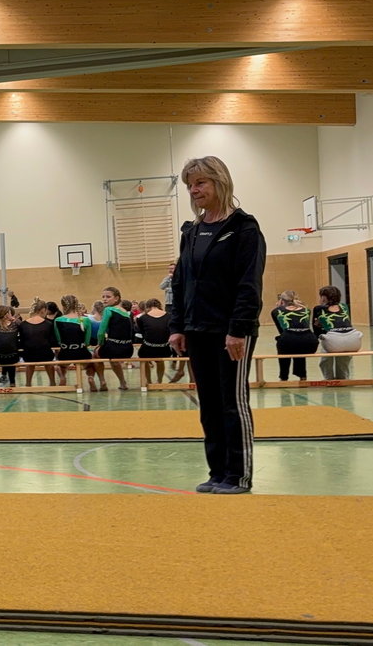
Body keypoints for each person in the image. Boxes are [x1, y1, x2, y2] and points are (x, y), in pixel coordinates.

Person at [168, 156, 265, 495]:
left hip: (230, 332)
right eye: (190, 185)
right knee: (208, 404)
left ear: (219, 182)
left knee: (232, 403)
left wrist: (238, 329)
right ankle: (217, 472)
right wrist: (177, 326)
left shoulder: (244, 228)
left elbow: (249, 284)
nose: (194, 190)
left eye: (200, 183)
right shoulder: (191, 232)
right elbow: (181, 282)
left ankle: (238, 475)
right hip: (197, 329)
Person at [313, 285, 360, 380]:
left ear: (324, 297)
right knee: (343, 361)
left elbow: (316, 331)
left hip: (334, 341)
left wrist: (321, 327)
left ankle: (329, 379)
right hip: (353, 340)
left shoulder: (318, 308)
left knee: (325, 359)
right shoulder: (344, 306)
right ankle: (343, 379)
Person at [271, 291, 318, 382]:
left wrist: (279, 307)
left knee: (286, 341)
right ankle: (302, 375)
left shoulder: (276, 311)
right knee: (299, 340)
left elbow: (281, 331)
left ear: (281, 300)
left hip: (289, 342)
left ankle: (283, 377)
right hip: (310, 343)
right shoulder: (306, 310)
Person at [95, 286, 133, 390]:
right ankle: (122, 382)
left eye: (108, 297)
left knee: (95, 354)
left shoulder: (108, 310)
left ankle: (102, 381)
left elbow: (101, 332)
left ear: (116, 298)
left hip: (114, 348)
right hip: (128, 349)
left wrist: (99, 344)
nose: (104, 299)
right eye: (103, 297)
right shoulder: (126, 312)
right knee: (113, 359)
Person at [135, 298, 174, 385]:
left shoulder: (142, 318)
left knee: (143, 358)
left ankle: (149, 381)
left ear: (147, 307)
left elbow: (143, 333)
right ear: (160, 306)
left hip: (148, 349)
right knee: (160, 360)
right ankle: (159, 381)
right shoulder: (169, 316)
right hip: (164, 349)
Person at [19, 299, 58, 386]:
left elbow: (22, 341)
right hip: (45, 354)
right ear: (43, 310)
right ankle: (52, 382)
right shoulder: (48, 324)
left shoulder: (23, 324)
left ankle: (28, 383)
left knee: (30, 361)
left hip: (29, 355)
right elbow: (52, 341)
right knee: (48, 359)